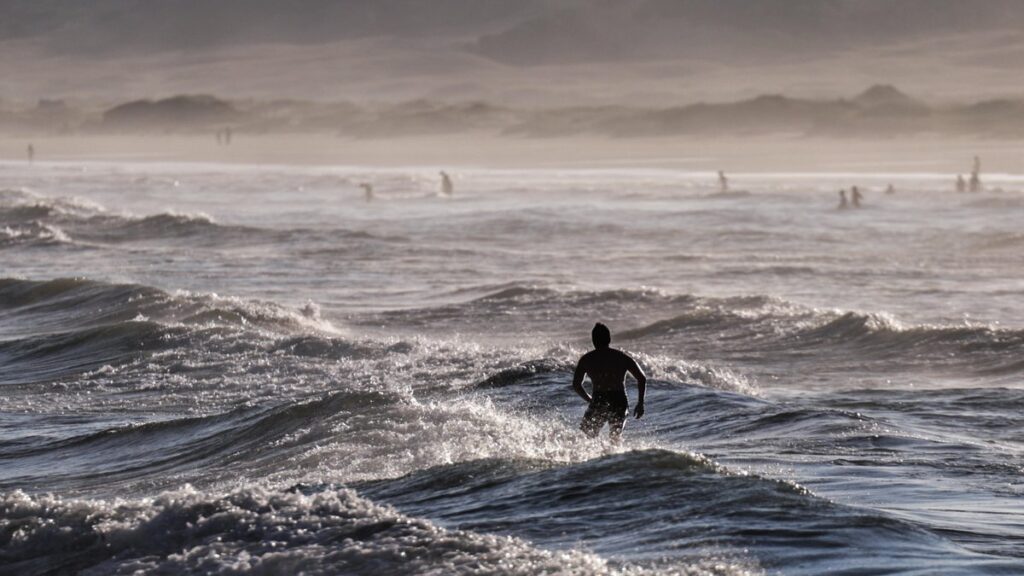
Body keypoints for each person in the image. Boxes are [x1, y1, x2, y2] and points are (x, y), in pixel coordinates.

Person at [572, 323, 647, 441]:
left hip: (599, 399)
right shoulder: (621, 357)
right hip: (619, 400)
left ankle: (592, 459)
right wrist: (640, 403)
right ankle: (614, 458)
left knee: (586, 437)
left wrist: (590, 399)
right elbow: (641, 378)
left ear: (593, 340)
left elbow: (576, 385)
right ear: (609, 339)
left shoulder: (587, 359)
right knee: (615, 438)